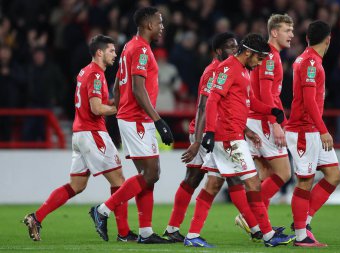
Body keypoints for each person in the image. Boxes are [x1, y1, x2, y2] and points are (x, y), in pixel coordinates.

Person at [183, 33, 295, 248]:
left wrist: (271, 109)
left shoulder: (244, 71)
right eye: (259, 58)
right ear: (249, 53)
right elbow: (212, 100)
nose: (260, 63)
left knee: (213, 185)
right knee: (253, 182)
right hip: (228, 138)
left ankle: (192, 235)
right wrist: (209, 132)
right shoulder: (227, 68)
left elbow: (250, 101)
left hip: (232, 135)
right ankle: (268, 235)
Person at [23, 35, 137, 242]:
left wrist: (112, 102)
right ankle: (124, 232)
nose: (115, 54)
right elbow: (96, 108)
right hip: (93, 133)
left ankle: (36, 217)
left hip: (80, 135)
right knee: (120, 181)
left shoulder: (85, 71)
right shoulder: (95, 74)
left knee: (77, 185)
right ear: (100, 52)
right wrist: (119, 108)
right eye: (111, 50)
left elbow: (92, 103)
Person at [89, 7, 174, 244]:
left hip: (132, 117)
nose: (162, 27)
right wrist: (159, 121)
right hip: (138, 119)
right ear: (148, 25)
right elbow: (138, 88)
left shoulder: (129, 45)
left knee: (147, 175)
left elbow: (117, 82)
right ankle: (103, 210)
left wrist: (119, 107)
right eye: (159, 22)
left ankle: (145, 232)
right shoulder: (142, 50)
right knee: (151, 174)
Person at [162, 32, 238, 242]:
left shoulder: (226, 69)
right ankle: (259, 227)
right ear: (218, 51)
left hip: (210, 131)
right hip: (206, 133)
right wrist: (197, 140)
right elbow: (204, 106)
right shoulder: (213, 72)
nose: (235, 50)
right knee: (225, 179)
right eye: (230, 47)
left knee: (193, 179)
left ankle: (172, 229)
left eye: (236, 46)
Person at [235, 13, 294, 233]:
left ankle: (260, 224)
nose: (291, 35)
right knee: (284, 173)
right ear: (275, 32)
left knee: (266, 174)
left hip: (256, 118)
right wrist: (275, 122)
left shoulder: (267, 55)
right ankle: (249, 216)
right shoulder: (271, 56)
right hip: (263, 121)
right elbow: (266, 93)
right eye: (287, 30)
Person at [285, 20, 340, 247]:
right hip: (304, 131)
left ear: (308, 38)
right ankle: (301, 236)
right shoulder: (310, 63)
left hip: (311, 131)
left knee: (334, 175)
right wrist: (324, 130)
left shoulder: (309, 60)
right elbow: (309, 102)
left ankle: (303, 222)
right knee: (305, 181)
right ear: (328, 39)